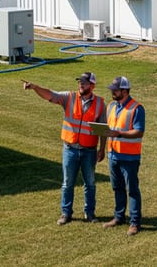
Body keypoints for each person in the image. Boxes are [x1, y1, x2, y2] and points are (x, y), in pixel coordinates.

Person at [23, 72, 107, 225]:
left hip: (89, 151)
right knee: (67, 183)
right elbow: (50, 95)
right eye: (80, 82)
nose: (81, 84)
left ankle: (90, 213)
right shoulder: (70, 97)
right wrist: (35, 87)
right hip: (70, 149)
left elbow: (102, 130)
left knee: (90, 183)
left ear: (92, 86)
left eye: (85, 82)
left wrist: (102, 149)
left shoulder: (101, 104)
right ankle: (65, 213)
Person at [101, 75, 145, 236]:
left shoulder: (137, 108)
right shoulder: (112, 106)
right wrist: (102, 149)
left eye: (115, 90)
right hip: (113, 155)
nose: (112, 92)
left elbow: (139, 131)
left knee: (132, 189)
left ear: (124, 91)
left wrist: (119, 133)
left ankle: (135, 222)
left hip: (129, 157)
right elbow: (108, 128)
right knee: (117, 187)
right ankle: (119, 217)